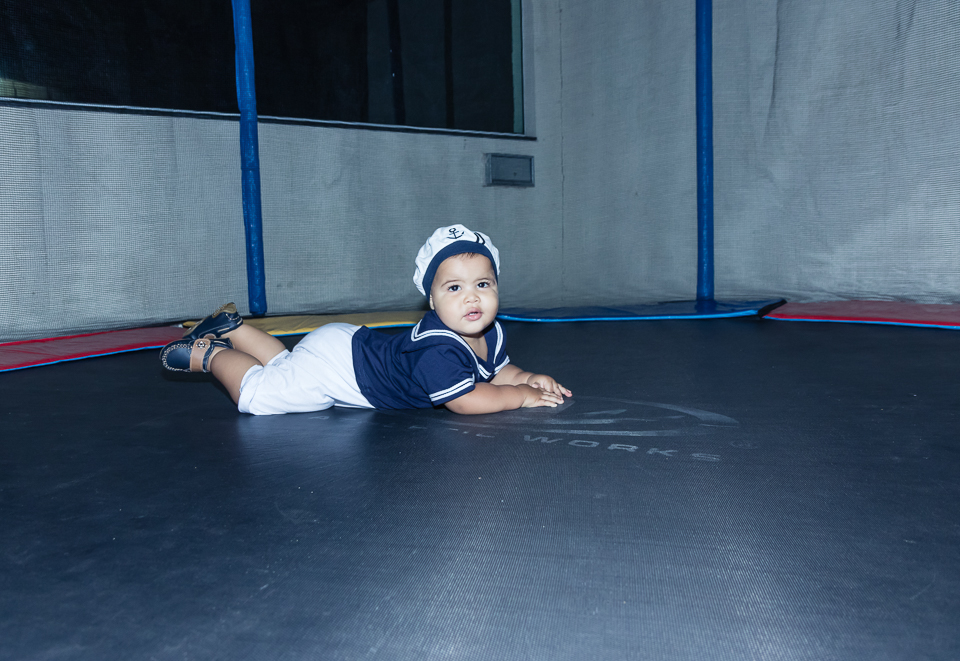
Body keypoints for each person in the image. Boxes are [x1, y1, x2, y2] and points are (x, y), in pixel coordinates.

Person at [160, 225, 571, 415]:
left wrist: (526, 378)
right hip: (345, 370)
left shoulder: (490, 331)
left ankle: (232, 327)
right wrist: (521, 397)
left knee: (290, 367)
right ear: (430, 299)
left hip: (347, 346)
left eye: (483, 284)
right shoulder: (438, 346)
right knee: (260, 396)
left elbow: (497, 371)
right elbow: (465, 400)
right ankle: (210, 354)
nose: (472, 297)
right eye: (454, 288)